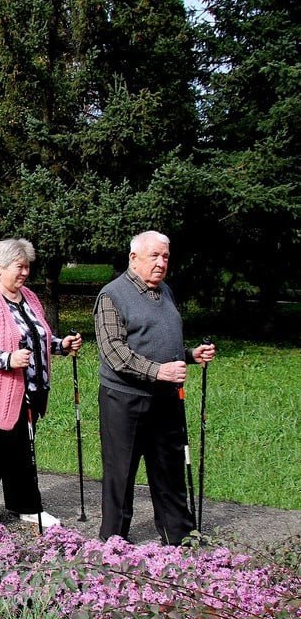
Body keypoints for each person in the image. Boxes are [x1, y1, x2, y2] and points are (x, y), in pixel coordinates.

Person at [94, 230, 216, 545]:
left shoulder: (166, 292)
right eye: (154, 256)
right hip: (124, 399)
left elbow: (160, 341)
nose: (161, 263)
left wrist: (189, 356)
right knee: (121, 474)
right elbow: (116, 354)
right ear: (134, 258)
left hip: (165, 397)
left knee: (170, 469)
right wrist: (159, 371)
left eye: (165, 257)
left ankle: (179, 536)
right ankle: (114, 542)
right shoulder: (112, 295)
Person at [0, 238, 82, 529]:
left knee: (21, 454)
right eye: (19, 266)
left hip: (28, 392)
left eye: (27, 266)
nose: (25, 272)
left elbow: (40, 338)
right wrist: (7, 358)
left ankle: (25, 505)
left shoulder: (29, 297)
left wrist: (62, 344)